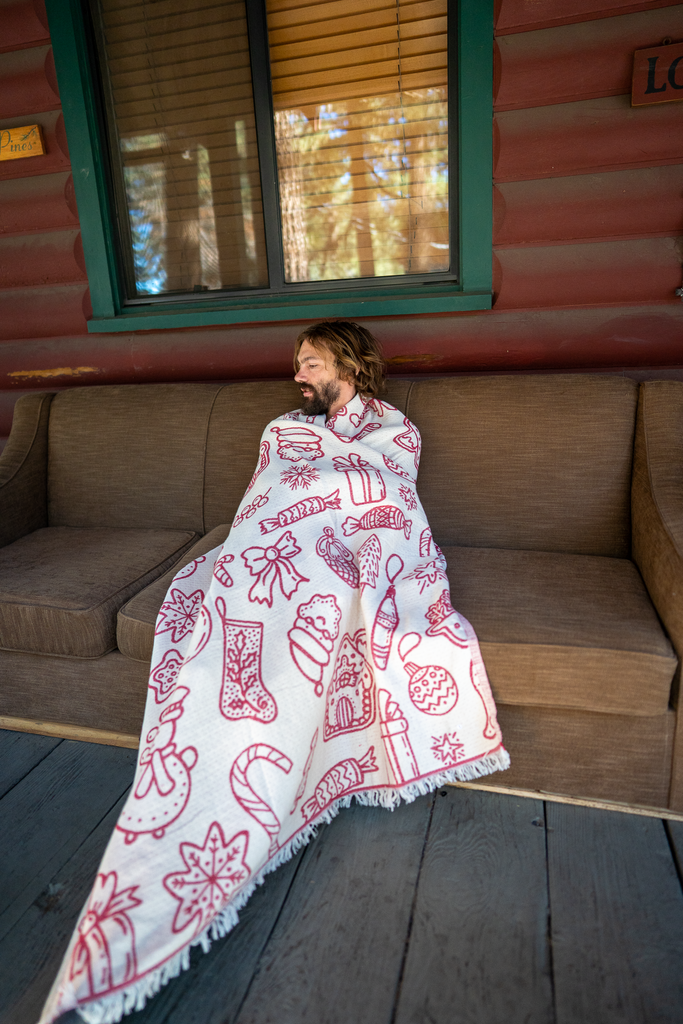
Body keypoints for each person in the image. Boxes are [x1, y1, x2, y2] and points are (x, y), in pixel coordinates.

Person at [40, 321, 509, 1024]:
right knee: (232, 595)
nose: (297, 374)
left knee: (321, 592)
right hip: (270, 547)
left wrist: (333, 513)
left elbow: (386, 495)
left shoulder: (394, 429)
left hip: (344, 549)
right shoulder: (283, 427)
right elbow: (263, 502)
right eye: (296, 363)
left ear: (347, 363)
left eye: (310, 361)